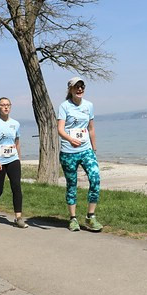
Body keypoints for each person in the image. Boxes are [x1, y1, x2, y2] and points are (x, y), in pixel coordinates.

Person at [57, 77, 102, 232]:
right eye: (77, 87)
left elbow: (91, 129)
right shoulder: (64, 106)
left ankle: (91, 216)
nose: (80, 89)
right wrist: (70, 139)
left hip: (86, 150)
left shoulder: (89, 105)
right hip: (69, 152)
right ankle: (73, 219)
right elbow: (60, 129)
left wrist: (94, 150)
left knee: (95, 179)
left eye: (82, 86)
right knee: (72, 185)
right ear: (70, 89)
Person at [0, 97, 27, 228]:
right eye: (3, 105)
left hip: (13, 159)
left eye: (8, 105)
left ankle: (18, 217)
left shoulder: (15, 123)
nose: (6, 107)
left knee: (16, 187)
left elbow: (17, 142)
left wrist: (19, 159)